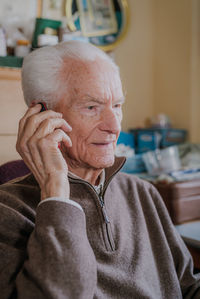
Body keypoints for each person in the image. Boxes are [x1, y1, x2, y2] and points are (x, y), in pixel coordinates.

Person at [0, 40, 199, 299]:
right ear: (43, 116)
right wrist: (56, 192)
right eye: (91, 107)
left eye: (117, 105)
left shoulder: (143, 193)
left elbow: (188, 286)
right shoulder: (8, 210)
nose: (114, 126)